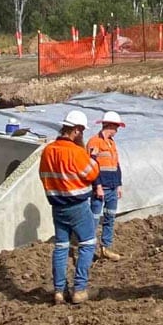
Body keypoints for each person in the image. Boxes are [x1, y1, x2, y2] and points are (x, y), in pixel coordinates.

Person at [38, 107, 101, 303]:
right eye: (81, 131)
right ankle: (80, 289)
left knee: (61, 247)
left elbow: (43, 175)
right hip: (77, 205)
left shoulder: (48, 151)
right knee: (88, 244)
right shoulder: (76, 152)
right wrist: (93, 158)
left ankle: (59, 291)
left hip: (57, 207)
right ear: (76, 130)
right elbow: (91, 174)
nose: (81, 135)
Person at [88, 109, 126, 261]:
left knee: (110, 217)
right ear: (109, 125)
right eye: (116, 127)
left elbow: (116, 165)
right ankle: (88, 250)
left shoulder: (111, 143)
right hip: (100, 188)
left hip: (112, 187)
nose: (117, 130)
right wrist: (97, 186)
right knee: (94, 218)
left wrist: (119, 185)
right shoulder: (94, 142)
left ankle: (105, 248)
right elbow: (92, 165)